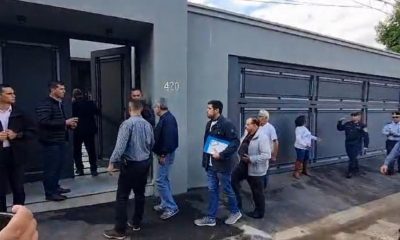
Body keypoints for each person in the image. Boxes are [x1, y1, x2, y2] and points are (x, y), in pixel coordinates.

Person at [103, 100, 154, 239]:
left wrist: (112, 163)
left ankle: (120, 230)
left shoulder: (127, 124)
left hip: (131, 164)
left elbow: (120, 147)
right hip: (144, 163)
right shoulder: (148, 125)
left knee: (122, 196)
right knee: (140, 194)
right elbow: (152, 144)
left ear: (129, 109)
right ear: (141, 109)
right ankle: (136, 222)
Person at [194, 100, 242, 227]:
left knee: (227, 189)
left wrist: (221, 154)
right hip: (210, 165)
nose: (207, 110)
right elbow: (207, 144)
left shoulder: (226, 124)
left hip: (222, 165)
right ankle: (211, 218)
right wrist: (205, 161)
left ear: (217, 110)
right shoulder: (209, 124)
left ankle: (235, 212)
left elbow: (235, 142)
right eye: (207, 108)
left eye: (209, 108)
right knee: (212, 190)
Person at [36, 81, 78, 201]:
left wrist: (69, 125)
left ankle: (55, 187)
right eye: (61, 89)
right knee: (51, 167)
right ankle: (50, 193)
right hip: (50, 141)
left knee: (58, 166)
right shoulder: (45, 104)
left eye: (64, 89)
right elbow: (44, 122)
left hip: (60, 140)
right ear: (53, 90)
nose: (64, 91)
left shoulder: (59, 104)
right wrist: (65, 122)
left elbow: (58, 121)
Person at [0, 84, 35, 212]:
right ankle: (2, 219)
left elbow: (32, 131)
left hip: (16, 154)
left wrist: (17, 135)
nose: (13, 95)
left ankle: (18, 216)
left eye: (13, 93)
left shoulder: (20, 112)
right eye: (9, 93)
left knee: (18, 188)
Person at [232, 117, 270, 219]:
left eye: (248, 124)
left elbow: (267, 155)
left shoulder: (263, 137)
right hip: (242, 165)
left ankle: (259, 212)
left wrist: (251, 159)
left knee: (257, 192)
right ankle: (237, 205)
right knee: (233, 180)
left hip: (255, 168)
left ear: (255, 125)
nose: (245, 126)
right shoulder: (247, 133)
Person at [152, 98, 179, 220]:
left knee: (160, 180)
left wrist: (162, 154)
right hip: (164, 153)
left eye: (155, 107)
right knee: (164, 179)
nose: (154, 109)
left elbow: (168, 139)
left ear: (160, 107)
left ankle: (171, 207)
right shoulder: (166, 118)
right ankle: (165, 203)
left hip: (165, 154)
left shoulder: (168, 120)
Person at [72, 89, 99, 176]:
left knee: (77, 150)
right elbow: (97, 111)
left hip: (77, 130)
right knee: (91, 150)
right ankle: (93, 169)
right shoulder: (90, 103)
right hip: (89, 130)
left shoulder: (73, 105)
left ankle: (80, 169)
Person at [337, 112, 369, 179]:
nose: (353, 117)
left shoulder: (362, 125)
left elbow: (366, 136)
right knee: (351, 157)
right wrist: (339, 121)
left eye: (355, 116)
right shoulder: (348, 123)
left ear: (359, 117)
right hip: (348, 143)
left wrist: (366, 146)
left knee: (352, 158)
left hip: (357, 144)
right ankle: (356, 168)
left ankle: (350, 172)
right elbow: (340, 128)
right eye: (352, 116)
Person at [257, 109, 279, 189]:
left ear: (266, 118)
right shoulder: (257, 126)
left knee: (264, 172)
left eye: (260, 116)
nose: (258, 118)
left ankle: (262, 188)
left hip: (266, 154)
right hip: (256, 154)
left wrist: (274, 155)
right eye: (258, 116)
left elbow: (276, 142)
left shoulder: (270, 128)